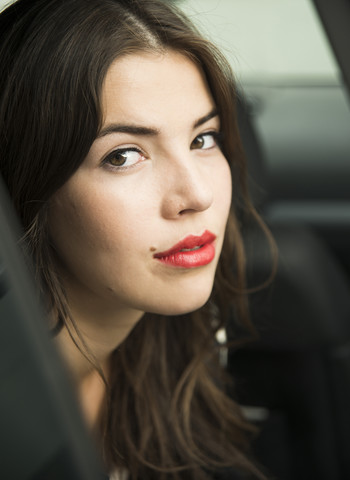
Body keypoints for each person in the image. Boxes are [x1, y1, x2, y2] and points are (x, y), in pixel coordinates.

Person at [0, 0, 267, 479]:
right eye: (123, 155)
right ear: (29, 185)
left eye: (203, 139)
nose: (197, 195)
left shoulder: (181, 341)